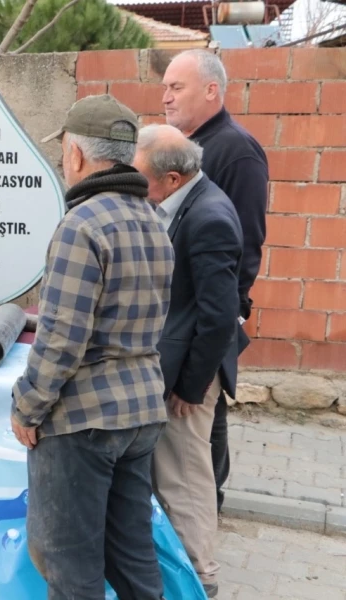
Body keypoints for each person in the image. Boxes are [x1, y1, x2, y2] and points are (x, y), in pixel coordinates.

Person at [11, 95, 174, 600]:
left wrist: (27, 407)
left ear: (76, 155)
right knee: (132, 558)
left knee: (69, 566)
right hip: (141, 410)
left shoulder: (81, 224)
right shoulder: (155, 220)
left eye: (63, 150)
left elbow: (61, 338)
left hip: (84, 420)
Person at [133, 124, 244, 599]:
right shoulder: (185, 202)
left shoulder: (209, 217)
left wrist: (190, 387)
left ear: (173, 178)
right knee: (174, 473)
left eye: (143, 179)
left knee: (184, 476)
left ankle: (202, 577)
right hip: (179, 365)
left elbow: (220, 318)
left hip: (192, 376)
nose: (138, 188)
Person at [162, 49, 268, 512]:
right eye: (164, 86)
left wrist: (226, 311)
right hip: (180, 315)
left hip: (209, 312)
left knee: (202, 416)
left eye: (176, 87)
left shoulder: (235, 150)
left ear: (212, 90)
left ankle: (208, 515)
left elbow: (245, 242)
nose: (165, 96)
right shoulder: (181, 145)